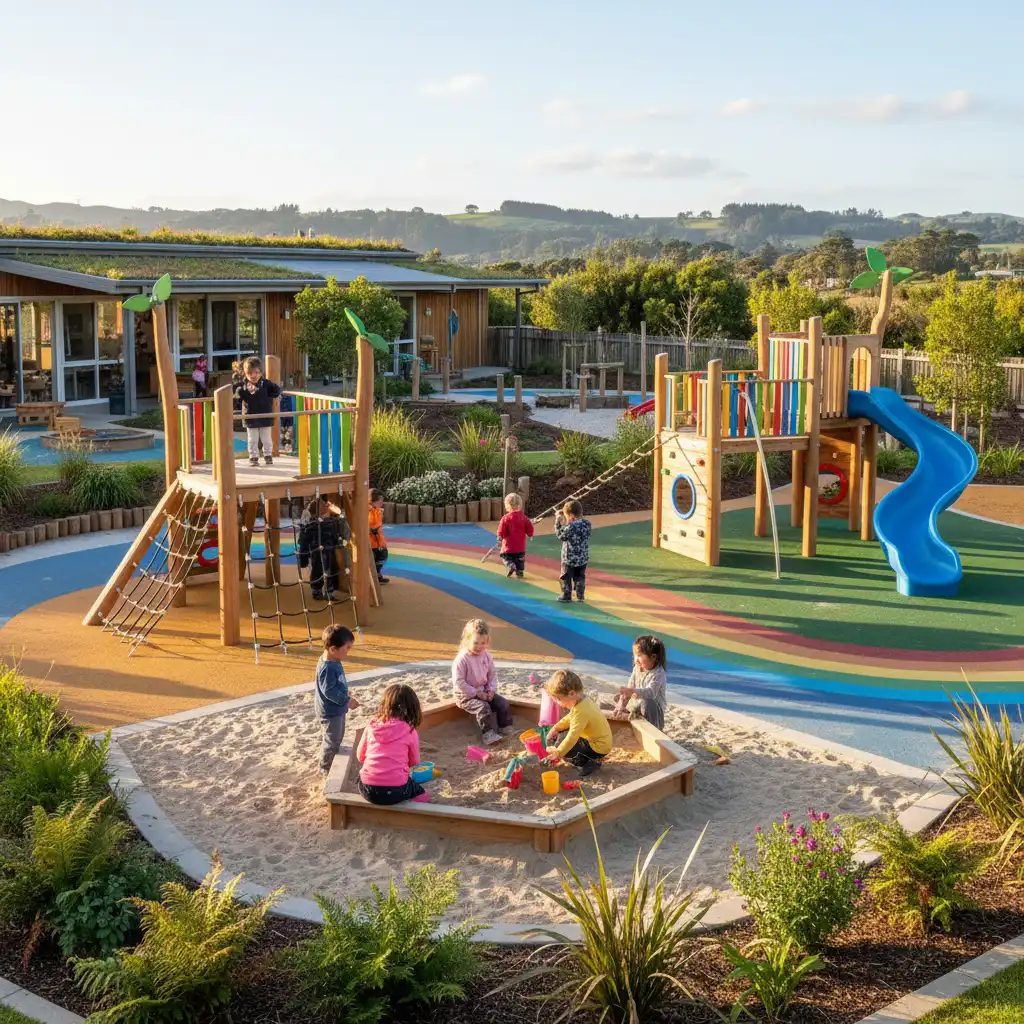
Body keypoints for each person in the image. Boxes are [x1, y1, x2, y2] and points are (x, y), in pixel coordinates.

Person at [356, 683, 430, 805]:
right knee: (422, 794)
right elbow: (415, 762)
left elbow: (360, 757)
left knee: (363, 774)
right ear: (413, 708)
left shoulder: (371, 727)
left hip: (367, 789)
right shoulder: (410, 731)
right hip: (396, 789)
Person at [452, 618, 513, 746]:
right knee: (483, 707)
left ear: (487, 641)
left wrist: (491, 690)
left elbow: (492, 675)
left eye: (483, 643)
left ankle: (505, 727)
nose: (479, 646)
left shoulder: (487, 656)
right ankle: (488, 734)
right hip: (466, 696)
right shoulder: (462, 659)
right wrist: (476, 693)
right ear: (467, 640)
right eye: (476, 643)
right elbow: (459, 681)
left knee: (502, 703)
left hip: (484, 690)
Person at [542, 668, 613, 778]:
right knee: (559, 736)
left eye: (560, 699)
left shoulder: (582, 711)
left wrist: (558, 753)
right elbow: (570, 718)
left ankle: (589, 763)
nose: (559, 704)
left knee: (565, 748)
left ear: (571, 693)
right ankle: (587, 758)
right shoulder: (582, 701)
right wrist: (555, 728)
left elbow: (572, 737)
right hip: (597, 740)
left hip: (599, 747)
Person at [314, 624, 359, 775]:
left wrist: (344, 691)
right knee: (331, 739)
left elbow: (334, 684)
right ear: (333, 648)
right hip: (331, 711)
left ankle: (331, 759)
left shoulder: (333, 660)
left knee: (336, 736)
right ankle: (325, 767)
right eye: (347, 648)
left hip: (336, 708)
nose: (348, 652)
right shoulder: (328, 667)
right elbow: (329, 690)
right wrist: (347, 700)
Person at [298, 496, 350, 601]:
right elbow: (304, 540)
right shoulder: (313, 525)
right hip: (318, 551)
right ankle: (317, 590)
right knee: (319, 569)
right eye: (323, 505)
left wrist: (339, 541)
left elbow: (339, 533)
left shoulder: (330, 521)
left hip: (329, 549)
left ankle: (328, 591)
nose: (326, 505)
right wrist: (303, 557)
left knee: (330, 570)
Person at [234, 356, 281, 466]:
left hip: (265, 416)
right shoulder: (243, 386)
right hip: (250, 417)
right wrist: (239, 393)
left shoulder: (266, 383)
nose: (253, 376)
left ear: (261, 372)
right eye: (250, 373)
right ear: (245, 373)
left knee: (267, 439)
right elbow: (237, 400)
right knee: (252, 439)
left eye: (256, 372)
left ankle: (268, 455)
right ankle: (253, 457)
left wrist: (275, 392)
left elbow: (276, 391)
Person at [613, 634, 668, 729]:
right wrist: (622, 700)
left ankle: (653, 729)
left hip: (654, 714)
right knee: (618, 697)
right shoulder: (637, 669)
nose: (635, 659)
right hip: (637, 708)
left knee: (647, 702)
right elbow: (630, 687)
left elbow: (651, 692)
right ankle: (629, 716)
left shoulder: (659, 673)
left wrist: (633, 691)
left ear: (653, 657)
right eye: (634, 655)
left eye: (639, 655)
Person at [554, 500, 592, 603]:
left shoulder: (570, 527)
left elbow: (561, 536)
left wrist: (558, 521)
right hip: (582, 558)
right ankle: (580, 595)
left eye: (567, 517)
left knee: (565, 577)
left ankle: (566, 595)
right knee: (580, 576)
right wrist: (566, 524)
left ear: (571, 516)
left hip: (569, 558)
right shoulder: (587, 524)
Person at [497, 492, 534, 579]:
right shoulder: (523, 517)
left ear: (507, 506)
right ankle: (520, 571)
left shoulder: (505, 518)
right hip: (520, 547)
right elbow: (529, 527)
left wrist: (499, 537)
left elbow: (501, 529)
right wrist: (530, 534)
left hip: (508, 547)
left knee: (505, 557)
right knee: (520, 559)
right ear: (520, 505)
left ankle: (510, 566)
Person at [369, 489, 389, 585]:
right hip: (371, 540)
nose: (382, 502)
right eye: (380, 500)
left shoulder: (378, 511)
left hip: (379, 540)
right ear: (374, 500)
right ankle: (374, 576)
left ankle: (377, 574)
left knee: (383, 556)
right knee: (373, 559)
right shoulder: (368, 511)